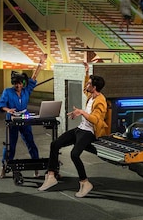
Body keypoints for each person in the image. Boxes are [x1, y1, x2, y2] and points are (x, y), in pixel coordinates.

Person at [38, 62, 108, 198]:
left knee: (74, 154)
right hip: (81, 129)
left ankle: (85, 182)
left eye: (89, 84)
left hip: (90, 132)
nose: (86, 85)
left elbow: (96, 120)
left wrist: (81, 112)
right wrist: (87, 71)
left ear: (94, 87)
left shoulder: (101, 101)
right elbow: (84, 88)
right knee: (55, 144)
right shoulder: (91, 95)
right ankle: (51, 176)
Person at [0, 54, 46, 179]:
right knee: (10, 144)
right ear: (14, 84)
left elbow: (34, 77)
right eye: (16, 84)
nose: (18, 86)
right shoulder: (7, 91)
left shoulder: (26, 90)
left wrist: (40, 63)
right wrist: (9, 110)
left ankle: (36, 166)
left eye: (20, 83)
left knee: (30, 142)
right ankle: (5, 167)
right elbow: (1, 104)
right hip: (12, 118)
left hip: (25, 117)